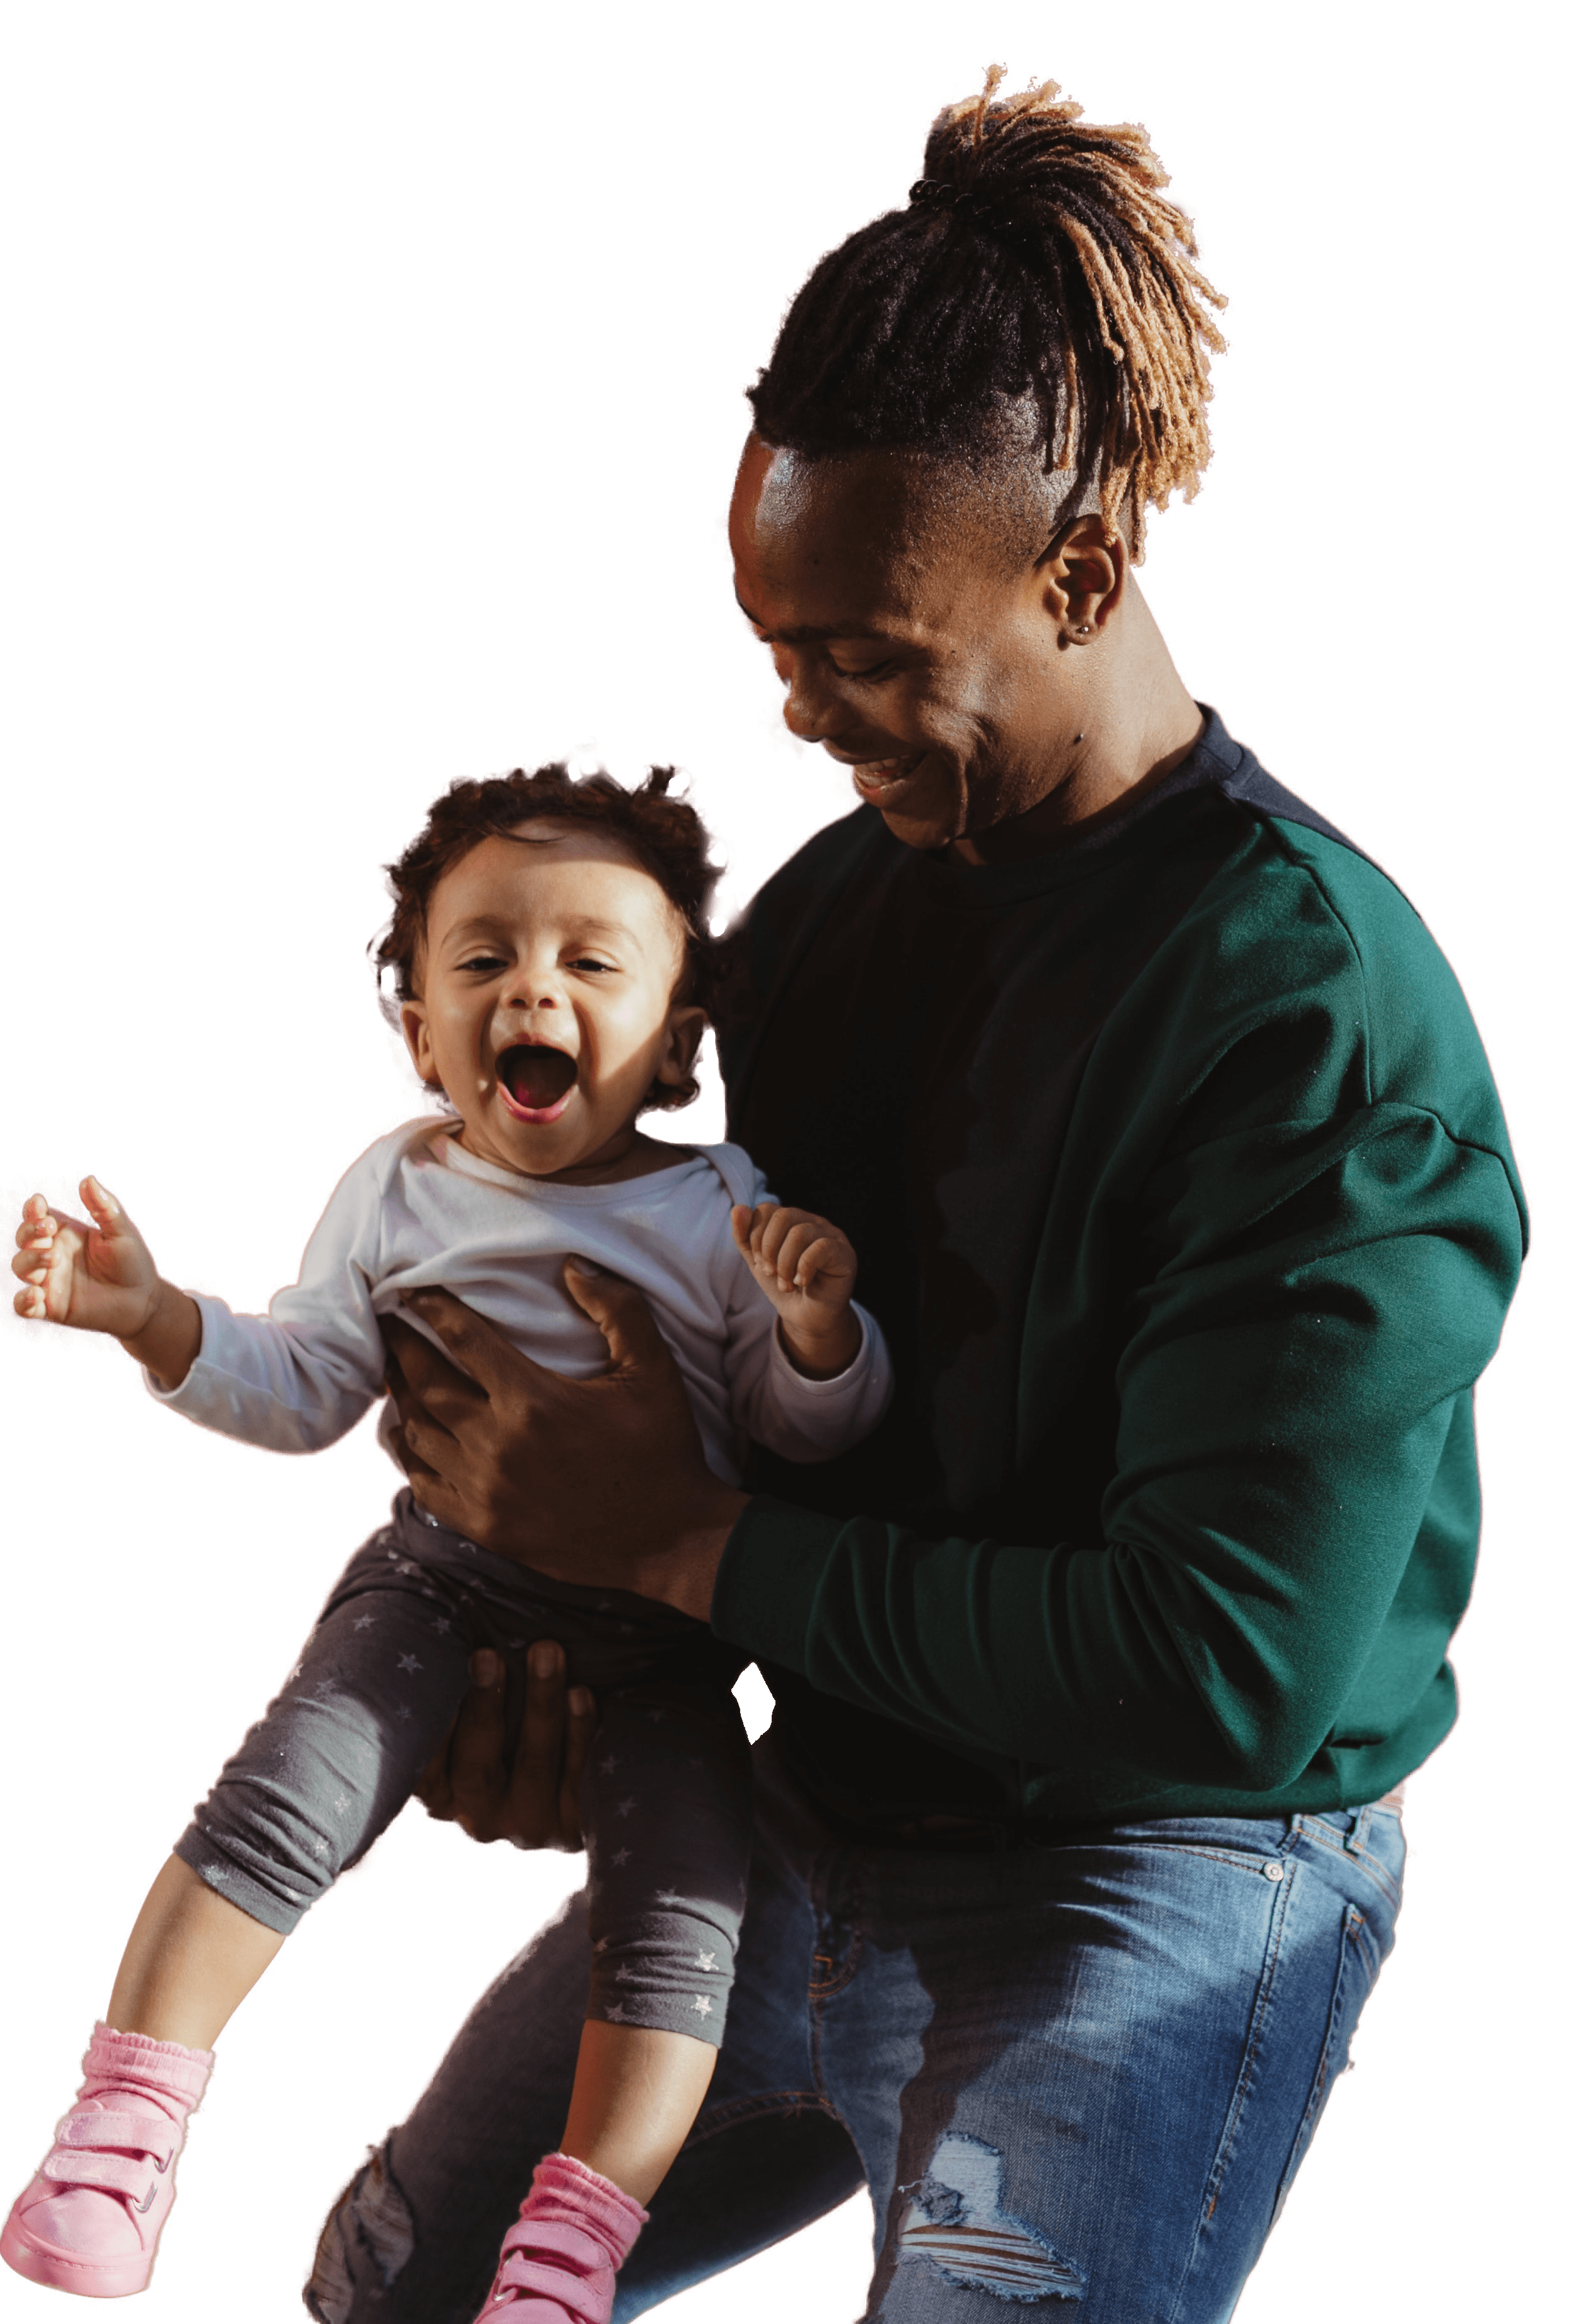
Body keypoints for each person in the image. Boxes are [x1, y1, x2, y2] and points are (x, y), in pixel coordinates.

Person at [294, 64, 1529, 2324]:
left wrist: (669, 1544)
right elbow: (727, 1398)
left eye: (864, 656)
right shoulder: (834, 920)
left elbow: (1221, 1671)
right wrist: (544, 1672)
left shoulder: (1312, 1022)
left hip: (1159, 1873)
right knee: (390, 2280)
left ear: (1077, 563)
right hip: (817, 1814)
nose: (790, 720)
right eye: (774, 645)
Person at [0, 759, 892, 2313]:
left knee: (686, 1924)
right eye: (481, 960)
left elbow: (795, 1436)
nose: (528, 991)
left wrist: (819, 1335)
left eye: (588, 963)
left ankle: (568, 2250)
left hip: (667, 1638)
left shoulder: (716, 1213)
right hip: (436, 1580)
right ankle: (124, 2120)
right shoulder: (400, 1190)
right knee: (291, 1787)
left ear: (680, 1038)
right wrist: (151, 1318)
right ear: (419, 1033)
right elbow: (303, 1384)